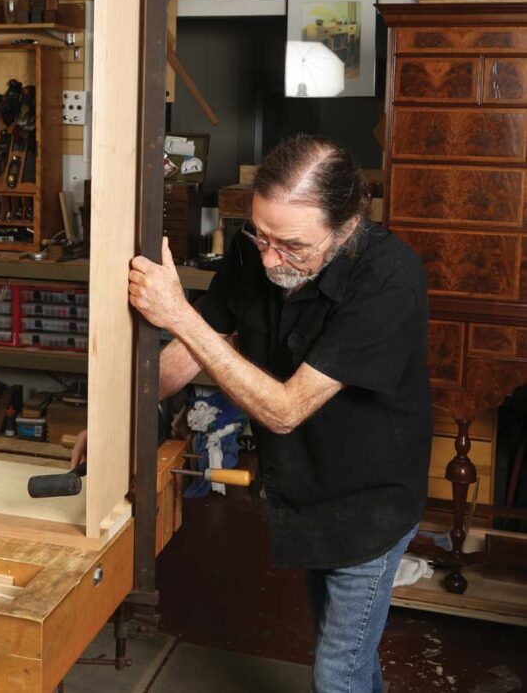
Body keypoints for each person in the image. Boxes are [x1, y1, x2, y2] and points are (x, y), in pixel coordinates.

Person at [73, 134, 432, 693]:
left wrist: (177, 313)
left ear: (346, 225)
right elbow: (190, 352)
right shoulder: (256, 250)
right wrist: (118, 424)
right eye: (259, 235)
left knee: (338, 673)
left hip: (371, 502)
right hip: (304, 488)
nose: (268, 259)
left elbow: (286, 410)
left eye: (290, 246)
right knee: (352, 655)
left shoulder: (390, 280)